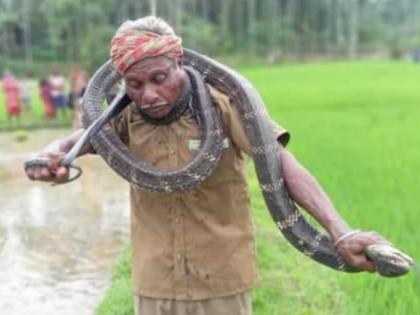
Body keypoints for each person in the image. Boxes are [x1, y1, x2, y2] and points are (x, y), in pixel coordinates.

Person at [25, 16, 390, 315]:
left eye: (159, 78)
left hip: (220, 281)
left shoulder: (225, 104)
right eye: (134, 84)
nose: (148, 94)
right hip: (155, 283)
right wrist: (52, 152)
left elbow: (282, 163)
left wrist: (339, 232)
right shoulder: (125, 116)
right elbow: (84, 138)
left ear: (179, 63)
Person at [68, 63, 88, 128]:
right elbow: (71, 84)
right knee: (76, 107)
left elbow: (86, 81)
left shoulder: (83, 73)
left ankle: (82, 122)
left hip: (83, 91)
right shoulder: (73, 75)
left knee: (82, 107)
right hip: (76, 92)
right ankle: (75, 123)